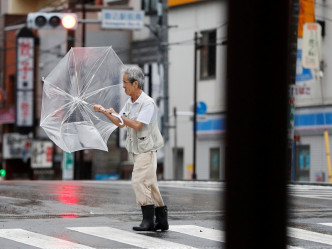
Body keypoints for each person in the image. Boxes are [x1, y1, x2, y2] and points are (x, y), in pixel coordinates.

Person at [93, 65, 169, 232]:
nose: (123, 86)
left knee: (139, 182)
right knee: (151, 184)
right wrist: (105, 112)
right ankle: (162, 221)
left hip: (146, 150)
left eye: (125, 82)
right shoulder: (129, 103)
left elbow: (136, 124)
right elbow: (120, 123)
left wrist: (119, 116)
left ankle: (148, 220)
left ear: (135, 84)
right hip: (136, 150)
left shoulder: (147, 103)